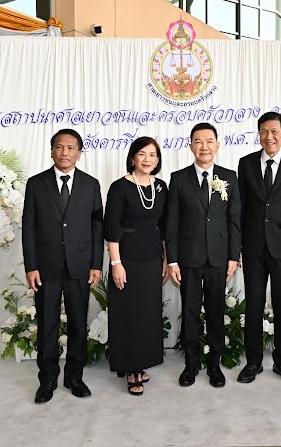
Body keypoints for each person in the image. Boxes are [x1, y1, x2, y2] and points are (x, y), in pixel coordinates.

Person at [22, 128, 104, 403]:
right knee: (48, 324)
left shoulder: (91, 185)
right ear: (51, 151)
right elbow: (29, 227)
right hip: (46, 267)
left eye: (70, 148)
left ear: (79, 153)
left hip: (80, 265)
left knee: (78, 324)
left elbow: (97, 226)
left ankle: (74, 377)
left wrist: (96, 264)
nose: (64, 152)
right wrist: (31, 266)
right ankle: (47, 380)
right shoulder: (36, 184)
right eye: (59, 147)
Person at [236, 111, 281, 386]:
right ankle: (253, 362)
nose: (269, 137)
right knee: (254, 306)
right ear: (259, 134)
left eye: (274, 131)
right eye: (264, 132)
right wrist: (237, 246)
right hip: (253, 247)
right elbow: (241, 207)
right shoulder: (246, 163)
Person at [166, 122, 241, 388]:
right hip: (188, 257)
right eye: (198, 141)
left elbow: (234, 220)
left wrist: (233, 257)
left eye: (209, 141)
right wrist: (172, 260)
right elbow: (172, 223)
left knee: (215, 312)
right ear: (191, 146)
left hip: (219, 257)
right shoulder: (178, 178)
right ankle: (191, 364)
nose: (204, 147)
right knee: (189, 311)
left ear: (217, 145)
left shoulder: (229, 177)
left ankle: (214, 364)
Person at [104, 136, 168, 395]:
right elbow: (112, 228)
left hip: (152, 259)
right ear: (132, 158)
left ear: (158, 159)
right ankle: (130, 369)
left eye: (152, 155)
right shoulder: (119, 187)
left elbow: (164, 226)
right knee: (128, 314)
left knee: (147, 314)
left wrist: (166, 258)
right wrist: (116, 263)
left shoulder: (161, 187)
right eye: (142, 154)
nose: (147, 159)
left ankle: (142, 363)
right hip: (127, 259)